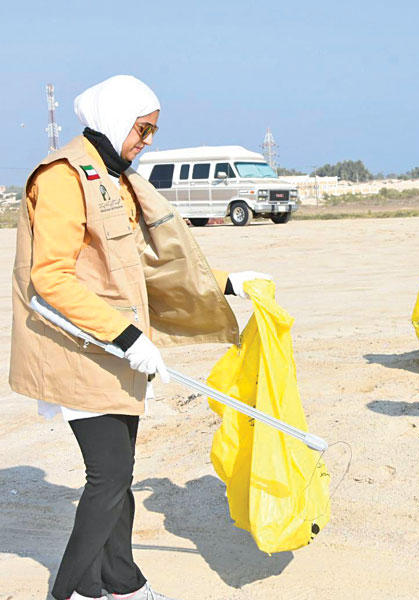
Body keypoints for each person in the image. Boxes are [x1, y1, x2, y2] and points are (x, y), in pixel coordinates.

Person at [9, 75, 269, 600]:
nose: (147, 141)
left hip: (114, 351)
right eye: (142, 129)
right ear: (113, 119)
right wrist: (128, 337)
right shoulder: (63, 176)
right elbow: (51, 277)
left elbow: (136, 265)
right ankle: (74, 591)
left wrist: (224, 284)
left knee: (118, 476)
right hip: (80, 349)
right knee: (108, 476)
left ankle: (122, 583)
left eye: (152, 131)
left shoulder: (114, 176)